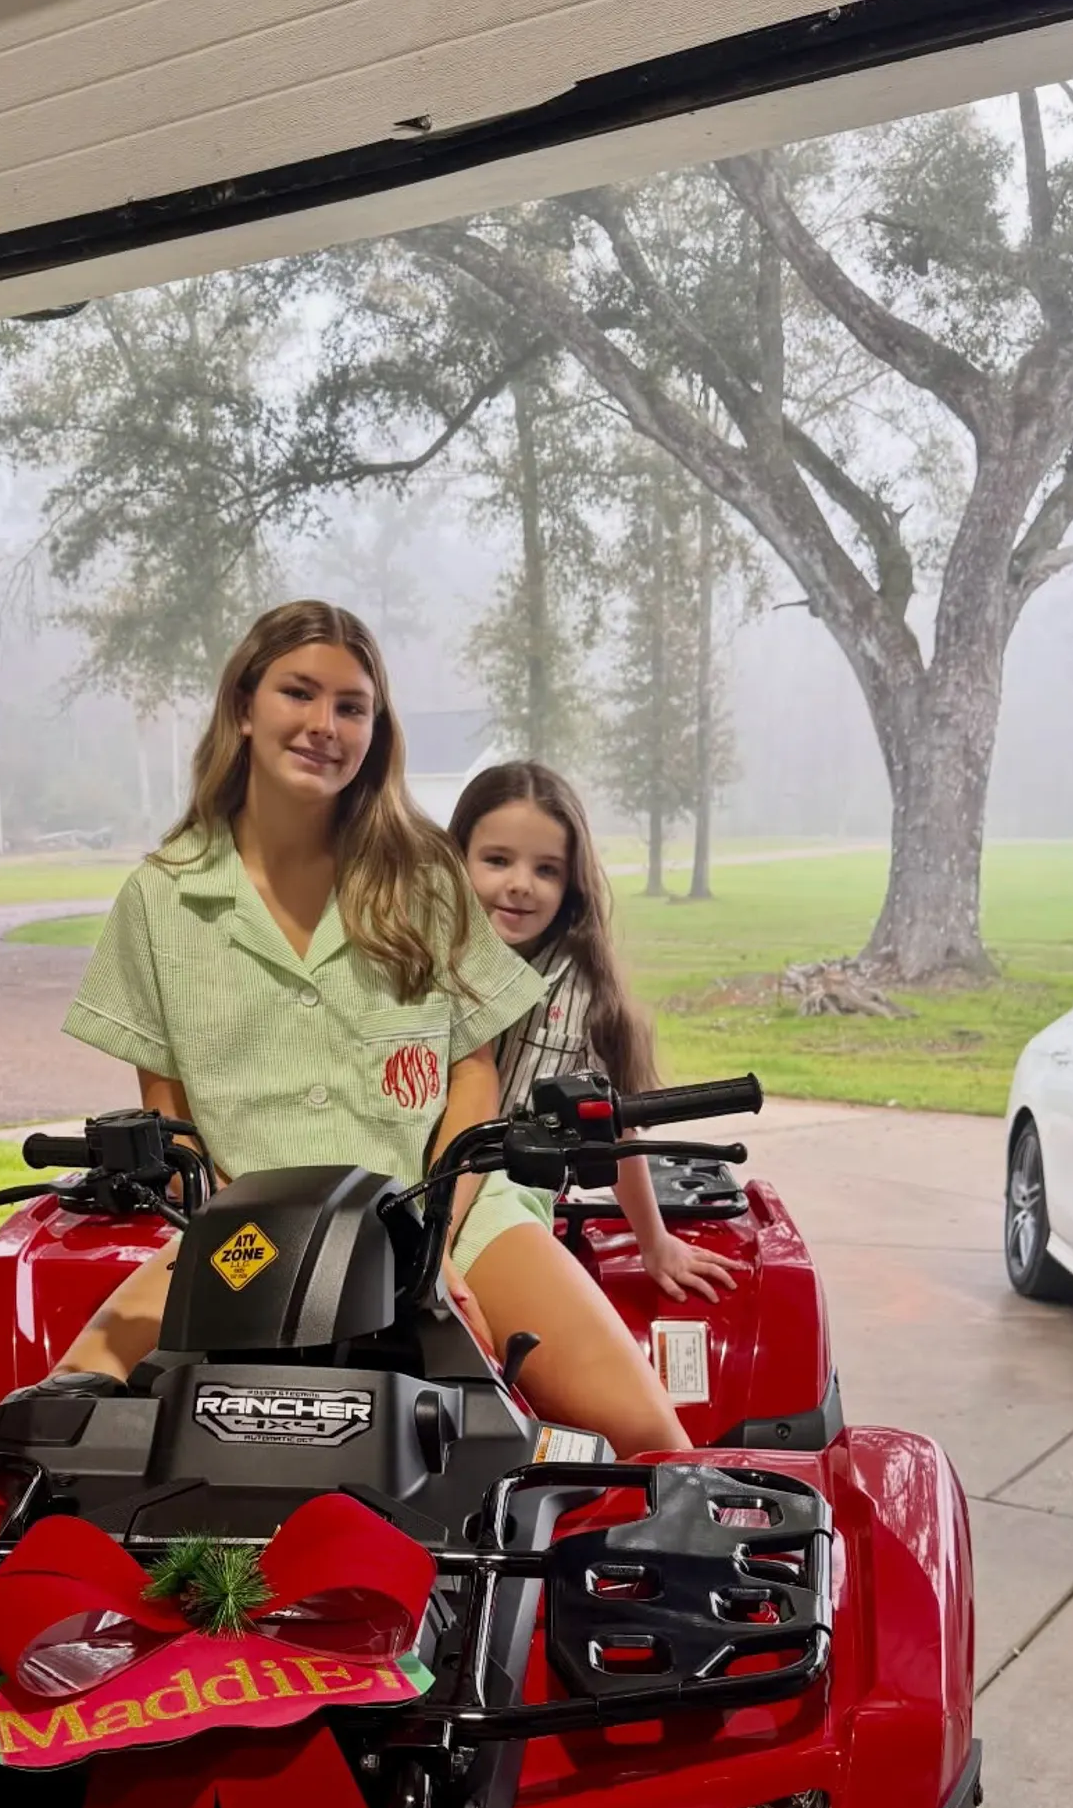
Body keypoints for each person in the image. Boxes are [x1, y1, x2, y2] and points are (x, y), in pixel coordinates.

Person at [55, 600, 693, 1454]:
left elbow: (472, 1075)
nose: (325, 725)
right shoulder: (160, 900)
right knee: (61, 1419)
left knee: (654, 1439)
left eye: (352, 706)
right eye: (299, 693)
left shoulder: (425, 874)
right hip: (248, 1230)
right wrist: (250, 1260)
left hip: (449, 1210)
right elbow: (175, 1134)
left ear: (374, 729)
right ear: (244, 707)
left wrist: (436, 1243)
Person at [449, 760, 737, 1306]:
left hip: (512, 1205)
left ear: (571, 883)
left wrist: (654, 1244)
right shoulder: (419, 963)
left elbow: (613, 1133)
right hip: (421, 1191)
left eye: (547, 870)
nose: (520, 885)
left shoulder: (583, 992)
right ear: (455, 859)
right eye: (497, 860)